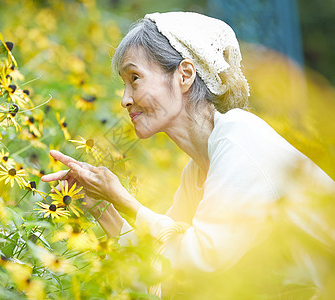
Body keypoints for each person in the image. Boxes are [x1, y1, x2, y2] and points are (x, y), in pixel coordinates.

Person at [41, 12, 334, 297]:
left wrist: (121, 197)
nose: (125, 99)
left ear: (184, 75)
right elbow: (165, 271)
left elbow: (201, 260)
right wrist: (100, 207)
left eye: (135, 78)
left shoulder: (239, 135)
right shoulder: (196, 173)